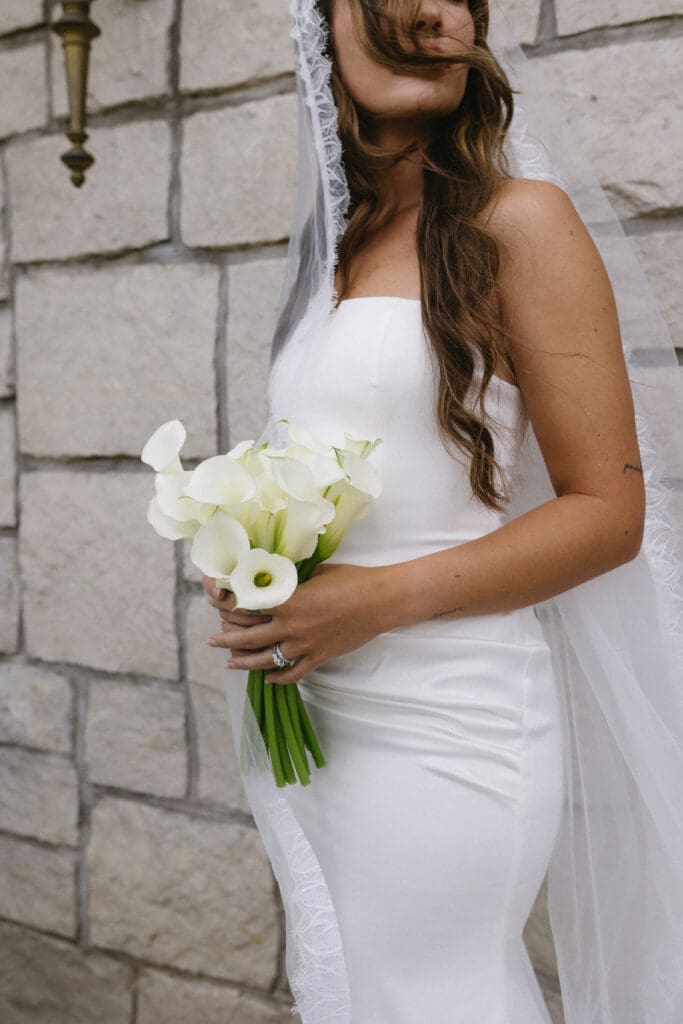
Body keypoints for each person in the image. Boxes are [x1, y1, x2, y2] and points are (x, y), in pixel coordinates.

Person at [201, 2, 683, 1022]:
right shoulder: (333, 251)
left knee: (434, 994)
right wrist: (261, 561)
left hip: (450, 720)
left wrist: (373, 601)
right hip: (322, 708)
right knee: (361, 988)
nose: (433, 13)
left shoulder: (520, 220)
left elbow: (607, 512)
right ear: (318, 26)